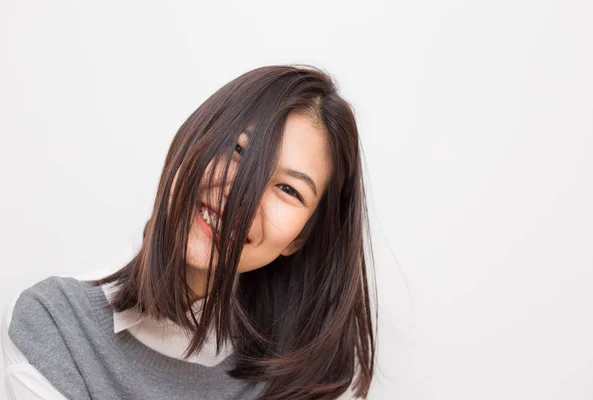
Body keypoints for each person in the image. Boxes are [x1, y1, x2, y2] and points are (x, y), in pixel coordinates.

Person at [1, 65, 377, 399]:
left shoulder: (301, 379)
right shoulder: (58, 326)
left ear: (298, 239)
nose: (242, 198)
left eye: (288, 190)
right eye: (239, 149)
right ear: (192, 142)